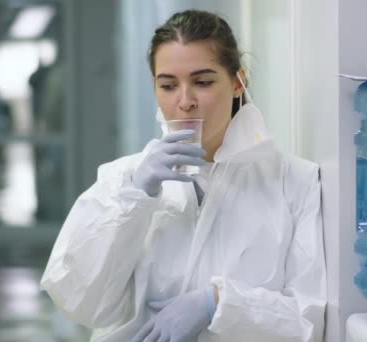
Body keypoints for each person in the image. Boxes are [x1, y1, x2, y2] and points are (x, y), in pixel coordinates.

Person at [41, 9, 326, 342]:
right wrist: (132, 200)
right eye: (168, 85)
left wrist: (219, 303)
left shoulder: (295, 182)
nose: (185, 101)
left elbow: (308, 323)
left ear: (238, 82)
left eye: (203, 82)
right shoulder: (123, 180)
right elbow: (80, 302)